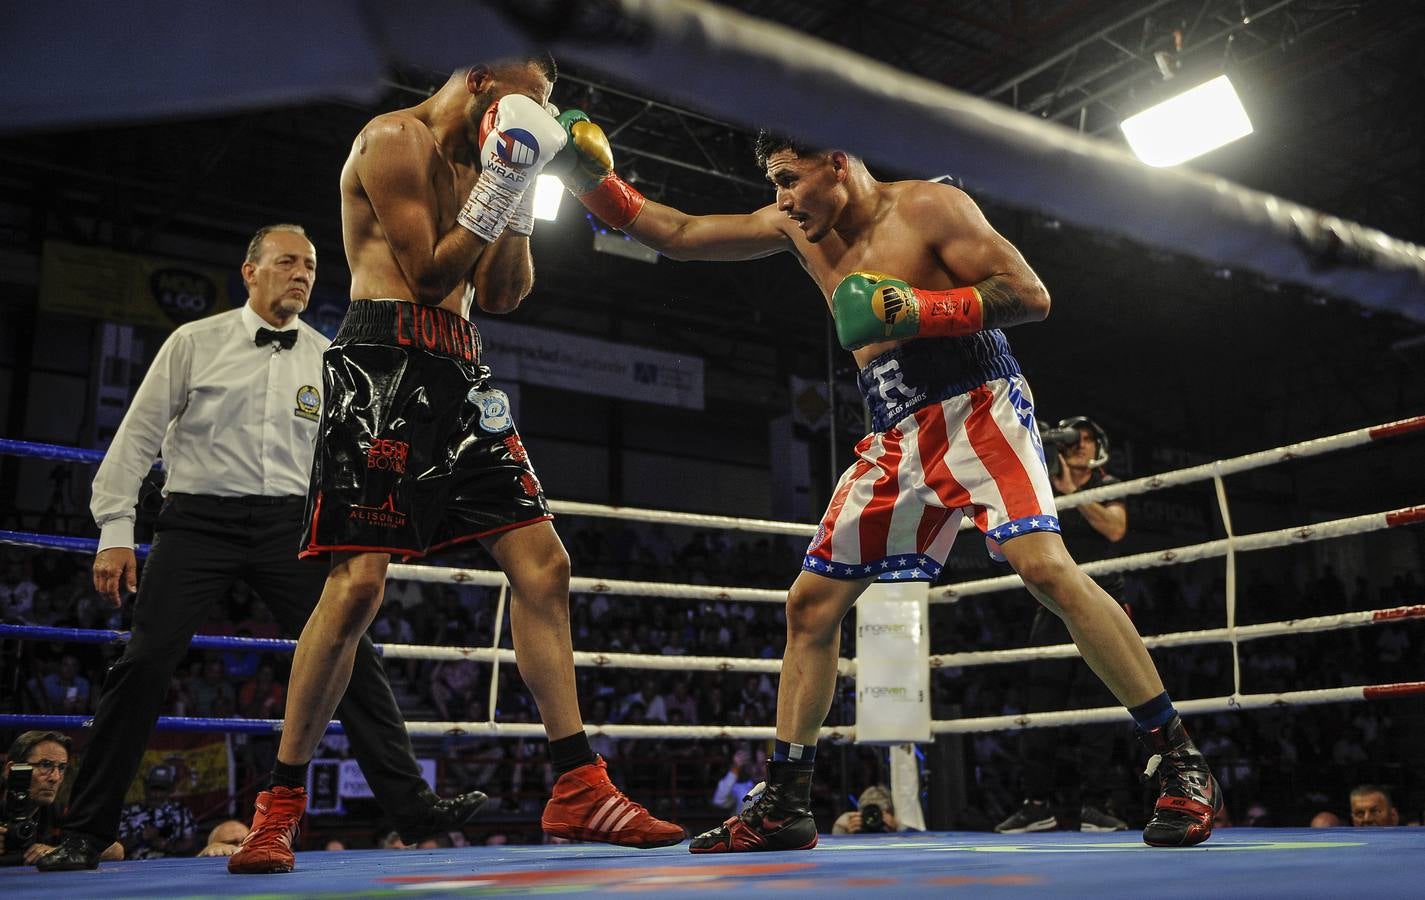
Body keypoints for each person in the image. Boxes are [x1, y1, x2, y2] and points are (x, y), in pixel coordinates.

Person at [554, 120, 1220, 851]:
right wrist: (587, 176)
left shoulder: (929, 206)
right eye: (771, 183)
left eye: (787, 177)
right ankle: (785, 800)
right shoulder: (796, 226)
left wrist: (921, 307)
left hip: (977, 400)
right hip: (895, 424)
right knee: (810, 605)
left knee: (1043, 569)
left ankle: (1179, 760)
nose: (779, 198)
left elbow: (1029, 294)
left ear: (835, 161)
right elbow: (675, 231)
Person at [227, 57, 682, 876]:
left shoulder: (488, 161)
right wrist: (507, 171)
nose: (539, 115)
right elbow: (429, 270)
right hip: (379, 364)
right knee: (358, 585)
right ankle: (279, 806)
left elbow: (502, 296)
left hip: (460, 369)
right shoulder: (391, 140)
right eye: (529, 103)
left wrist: (518, 179)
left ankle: (579, 784)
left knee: (545, 565)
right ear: (479, 82)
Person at [36, 224, 485, 872]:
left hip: (290, 525)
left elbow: (354, 457)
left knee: (349, 650)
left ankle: (410, 807)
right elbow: (136, 439)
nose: (301, 274)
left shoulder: (328, 357)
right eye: (285, 263)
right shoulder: (195, 340)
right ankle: (85, 829)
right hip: (196, 522)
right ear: (251, 272)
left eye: (308, 265)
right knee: (144, 662)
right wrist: (115, 531)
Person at [996, 417, 1130, 833]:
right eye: (1073, 440)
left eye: (1087, 439)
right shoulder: (1041, 486)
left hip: (1102, 604)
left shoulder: (1109, 483)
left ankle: (1095, 805)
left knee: (1098, 708)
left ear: (1099, 446)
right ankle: (1037, 804)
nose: (1079, 446)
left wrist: (1073, 494)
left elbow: (1115, 528)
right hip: (1051, 608)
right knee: (1041, 706)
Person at [1, 732, 121, 866]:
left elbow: (116, 850)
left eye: (62, 768)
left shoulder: (58, 811)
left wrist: (61, 852)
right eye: (45, 765)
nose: (55, 778)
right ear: (11, 770)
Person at [116, 764, 198, 859]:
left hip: (172, 865)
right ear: (146, 787)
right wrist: (141, 837)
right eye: (154, 788)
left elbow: (192, 844)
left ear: (171, 789)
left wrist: (168, 846)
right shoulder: (128, 811)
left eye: (162, 789)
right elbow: (116, 849)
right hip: (134, 866)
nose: (157, 795)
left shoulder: (181, 811)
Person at [832, 785, 903, 835]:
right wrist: (846, 835)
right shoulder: (848, 824)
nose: (872, 819)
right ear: (860, 814)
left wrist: (897, 832)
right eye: (869, 814)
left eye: (878, 815)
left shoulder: (902, 822)